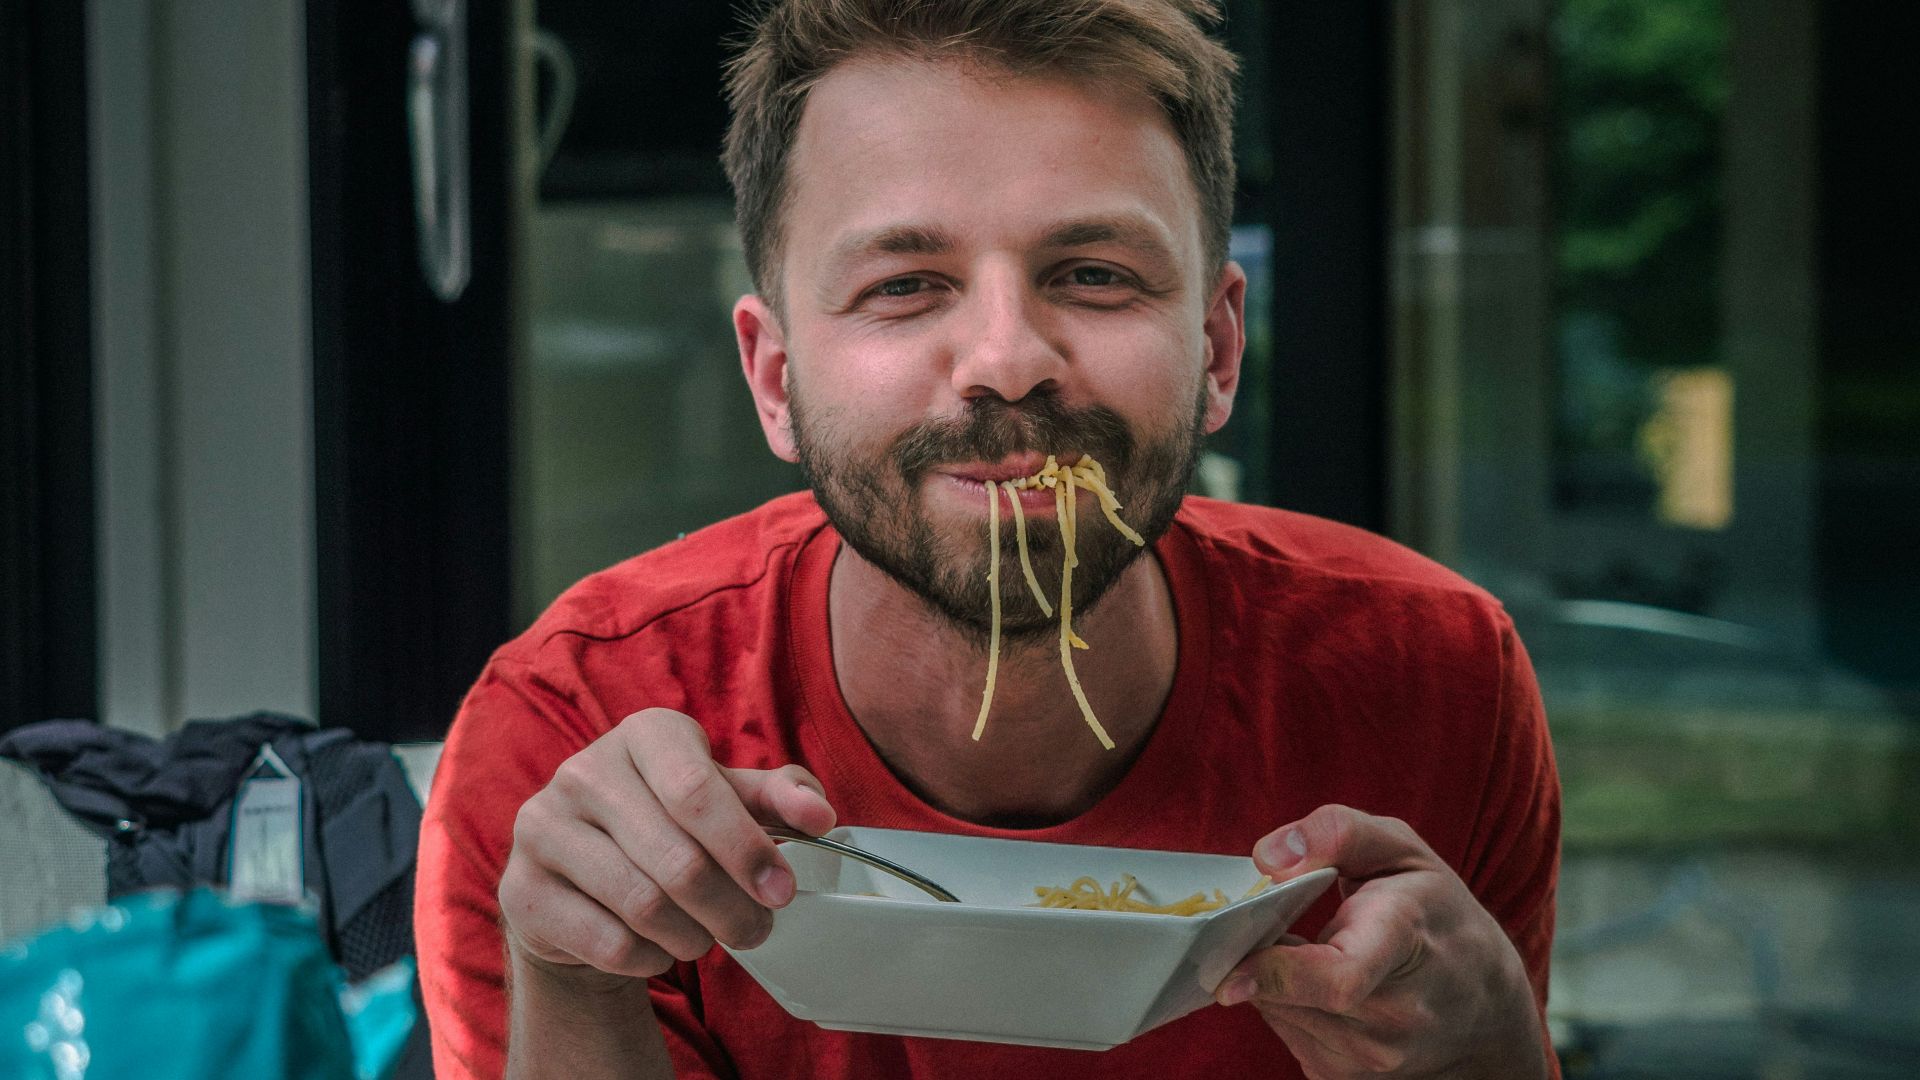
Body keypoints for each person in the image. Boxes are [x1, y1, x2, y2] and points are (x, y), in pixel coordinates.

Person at [415, 1, 1562, 1077]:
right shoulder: (566, 744)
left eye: (1095, 275)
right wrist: (570, 978)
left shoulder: (1435, 682)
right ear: (774, 379)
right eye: (907, 285)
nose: (1008, 359)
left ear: (1216, 348)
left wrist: (1499, 1046)